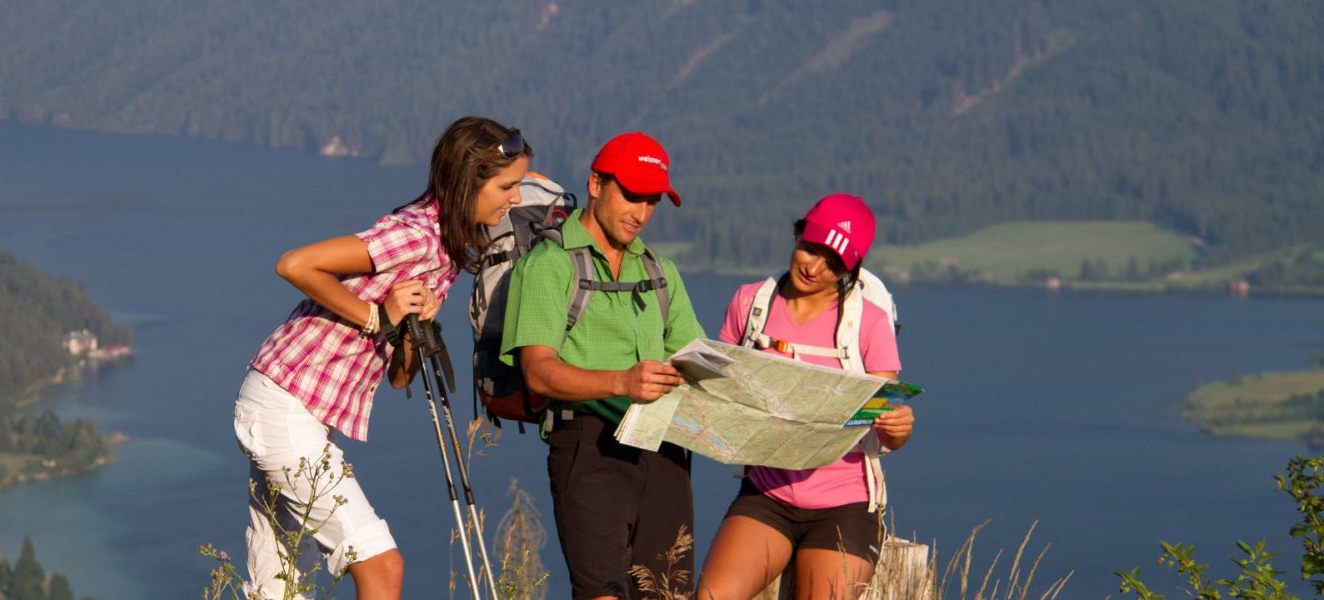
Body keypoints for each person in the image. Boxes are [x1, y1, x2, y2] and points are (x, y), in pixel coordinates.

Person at [234, 116, 531, 599]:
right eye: (507, 186)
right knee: (382, 565)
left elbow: (399, 377)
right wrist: (376, 317)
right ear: (466, 183)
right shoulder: (415, 235)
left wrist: (413, 330)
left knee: (280, 587)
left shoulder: (446, 251)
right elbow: (294, 263)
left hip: (292, 407)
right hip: (283, 406)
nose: (515, 198)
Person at [500, 131, 707, 600]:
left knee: (665, 593)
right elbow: (537, 370)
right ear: (596, 184)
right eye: (631, 195)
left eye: (651, 201)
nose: (641, 213)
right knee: (603, 593)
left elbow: (692, 357)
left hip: (664, 447)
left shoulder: (659, 271)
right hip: (588, 442)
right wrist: (622, 382)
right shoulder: (550, 265)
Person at [697, 193, 916, 600]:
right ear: (797, 235)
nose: (814, 268)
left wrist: (899, 427)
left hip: (846, 504)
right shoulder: (751, 303)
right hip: (767, 494)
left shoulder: (868, 322)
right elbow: (719, 389)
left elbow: (888, 434)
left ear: (849, 269)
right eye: (810, 249)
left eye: (832, 263)